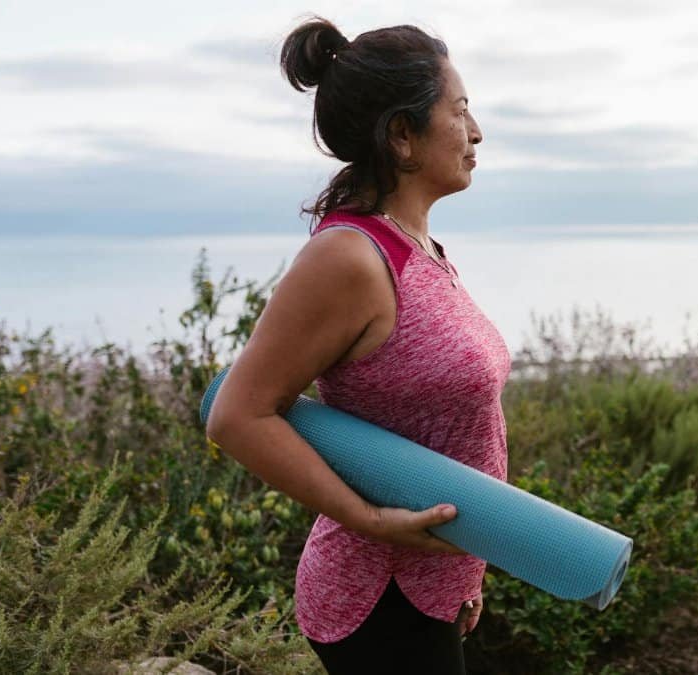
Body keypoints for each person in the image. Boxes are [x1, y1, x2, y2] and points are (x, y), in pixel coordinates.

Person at [204, 14, 507, 674]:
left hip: (427, 583)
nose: (477, 130)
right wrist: (365, 517)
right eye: (460, 111)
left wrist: (465, 570)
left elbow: (446, 426)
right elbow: (238, 413)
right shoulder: (348, 257)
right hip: (375, 590)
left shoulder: (420, 250)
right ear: (403, 135)